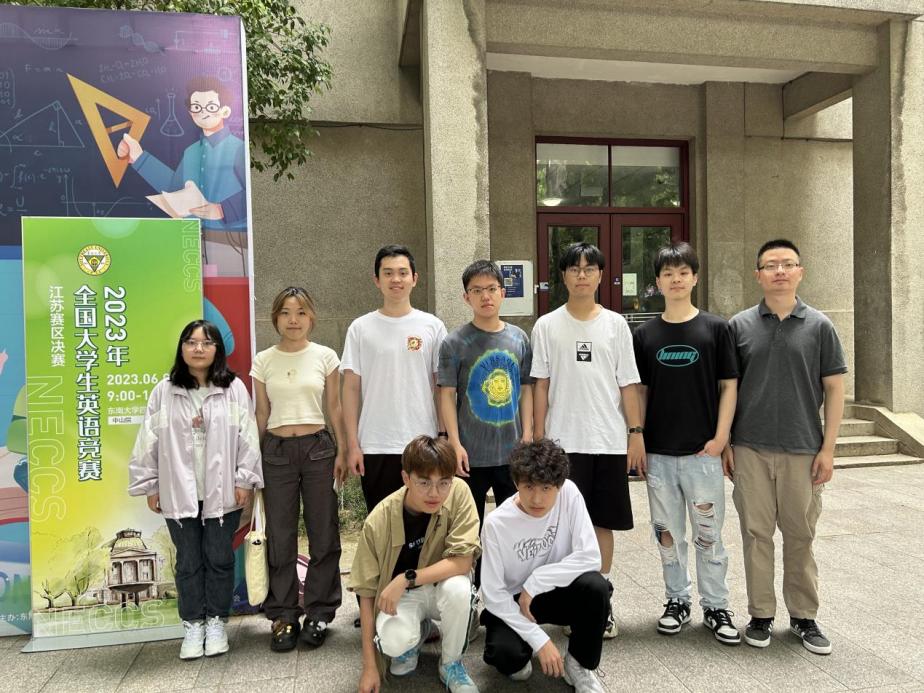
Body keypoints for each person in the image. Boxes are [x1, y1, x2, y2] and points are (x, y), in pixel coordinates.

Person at [723, 239, 846, 655]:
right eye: (771, 265)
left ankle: (803, 616)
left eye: (787, 264)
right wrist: (726, 443)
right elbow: (728, 390)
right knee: (756, 535)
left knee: (800, 535)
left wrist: (828, 449)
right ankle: (760, 614)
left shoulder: (820, 326)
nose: (780, 271)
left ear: (800, 272)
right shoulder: (738, 326)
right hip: (750, 448)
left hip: (803, 448)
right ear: (757, 274)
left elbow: (834, 389)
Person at [128, 320, 262, 660]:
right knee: (188, 561)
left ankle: (216, 622)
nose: (198, 348)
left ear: (217, 349)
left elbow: (248, 438)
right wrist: (150, 485)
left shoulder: (233, 388)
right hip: (177, 490)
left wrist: (244, 480)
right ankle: (192, 625)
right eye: (191, 342)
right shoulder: (165, 391)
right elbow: (148, 441)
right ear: (182, 348)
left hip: (223, 491)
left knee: (219, 559)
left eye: (206, 342)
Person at [530, 241, 644, 638]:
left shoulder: (616, 325)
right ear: (562, 276)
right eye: (574, 268)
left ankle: (600, 603)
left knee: (601, 523)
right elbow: (541, 384)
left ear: (600, 276)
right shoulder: (546, 325)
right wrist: (539, 437)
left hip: (607, 441)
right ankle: (568, 602)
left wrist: (635, 434)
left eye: (589, 268)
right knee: (563, 526)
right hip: (562, 443)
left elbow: (628, 384)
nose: (582, 274)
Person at [632, 242, 740, 644]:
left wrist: (721, 438)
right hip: (660, 455)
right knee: (667, 534)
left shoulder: (716, 329)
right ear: (657, 282)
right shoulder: (644, 335)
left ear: (695, 277)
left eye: (683, 272)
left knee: (708, 535)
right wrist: (638, 437)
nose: (675, 279)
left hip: (703, 454)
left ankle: (716, 605)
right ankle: (676, 600)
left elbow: (729, 386)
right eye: (667, 273)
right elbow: (640, 391)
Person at [251, 287, 349, 651]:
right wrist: (251, 461)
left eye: (301, 312)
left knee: (324, 531)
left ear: (312, 317)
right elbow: (261, 412)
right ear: (275, 317)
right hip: (275, 451)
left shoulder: (325, 356)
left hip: (318, 450)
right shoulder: (263, 360)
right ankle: (284, 615)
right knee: (280, 535)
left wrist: (343, 450)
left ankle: (320, 612)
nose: (293, 320)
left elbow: (334, 407)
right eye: (286, 313)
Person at [350, 436, 481, 693]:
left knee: (459, 589)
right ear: (406, 478)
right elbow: (366, 593)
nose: (435, 493)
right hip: (405, 598)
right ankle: (417, 633)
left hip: (440, 587)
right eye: (424, 482)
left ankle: (451, 664)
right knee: (393, 642)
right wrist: (370, 667)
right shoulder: (379, 519)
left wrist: (407, 578)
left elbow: (462, 562)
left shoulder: (460, 493)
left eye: (444, 482)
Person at [480, 439, 608, 692]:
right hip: (515, 601)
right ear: (516, 482)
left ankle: (579, 663)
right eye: (528, 487)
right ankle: (522, 648)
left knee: (596, 587)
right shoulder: (496, 523)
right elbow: (493, 594)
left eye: (547, 488)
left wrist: (536, 581)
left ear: (559, 485)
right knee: (509, 660)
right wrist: (539, 640)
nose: (537, 498)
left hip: (556, 591)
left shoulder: (569, 493)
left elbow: (591, 556)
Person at [438, 259, 533, 586]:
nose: (485, 296)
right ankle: (473, 591)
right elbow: (446, 394)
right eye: (477, 290)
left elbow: (526, 389)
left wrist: (528, 434)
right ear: (466, 297)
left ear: (503, 293)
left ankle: (508, 588)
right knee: (469, 530)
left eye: (491, 289)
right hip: (470, 455)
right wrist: (454, 443)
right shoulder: (454, 342)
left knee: (512, 527)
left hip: (511, 453)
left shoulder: (519, 338)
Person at [341, 245, 447, 513]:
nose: (396, 279)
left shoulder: (432, 326)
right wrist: (353, 445)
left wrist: (443, 435)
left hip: (422, 441)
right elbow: (350, 389)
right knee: (381, 521)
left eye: (402, 272)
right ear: (377, 280)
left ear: (415, 278)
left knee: (423, 520)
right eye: (388, 273)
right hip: (375, 443)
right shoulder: (360, 328)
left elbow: (441, 388)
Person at [118, 76, 247, 230]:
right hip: (191, 232)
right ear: (190, 112)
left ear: (225, 111)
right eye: (197, 107)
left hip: (231, 237)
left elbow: (251, 194)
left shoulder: (238, 148)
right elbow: (174, 189)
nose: (203, 112)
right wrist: (139, 157)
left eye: (211, 107)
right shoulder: (191, 151)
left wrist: (222, 209)